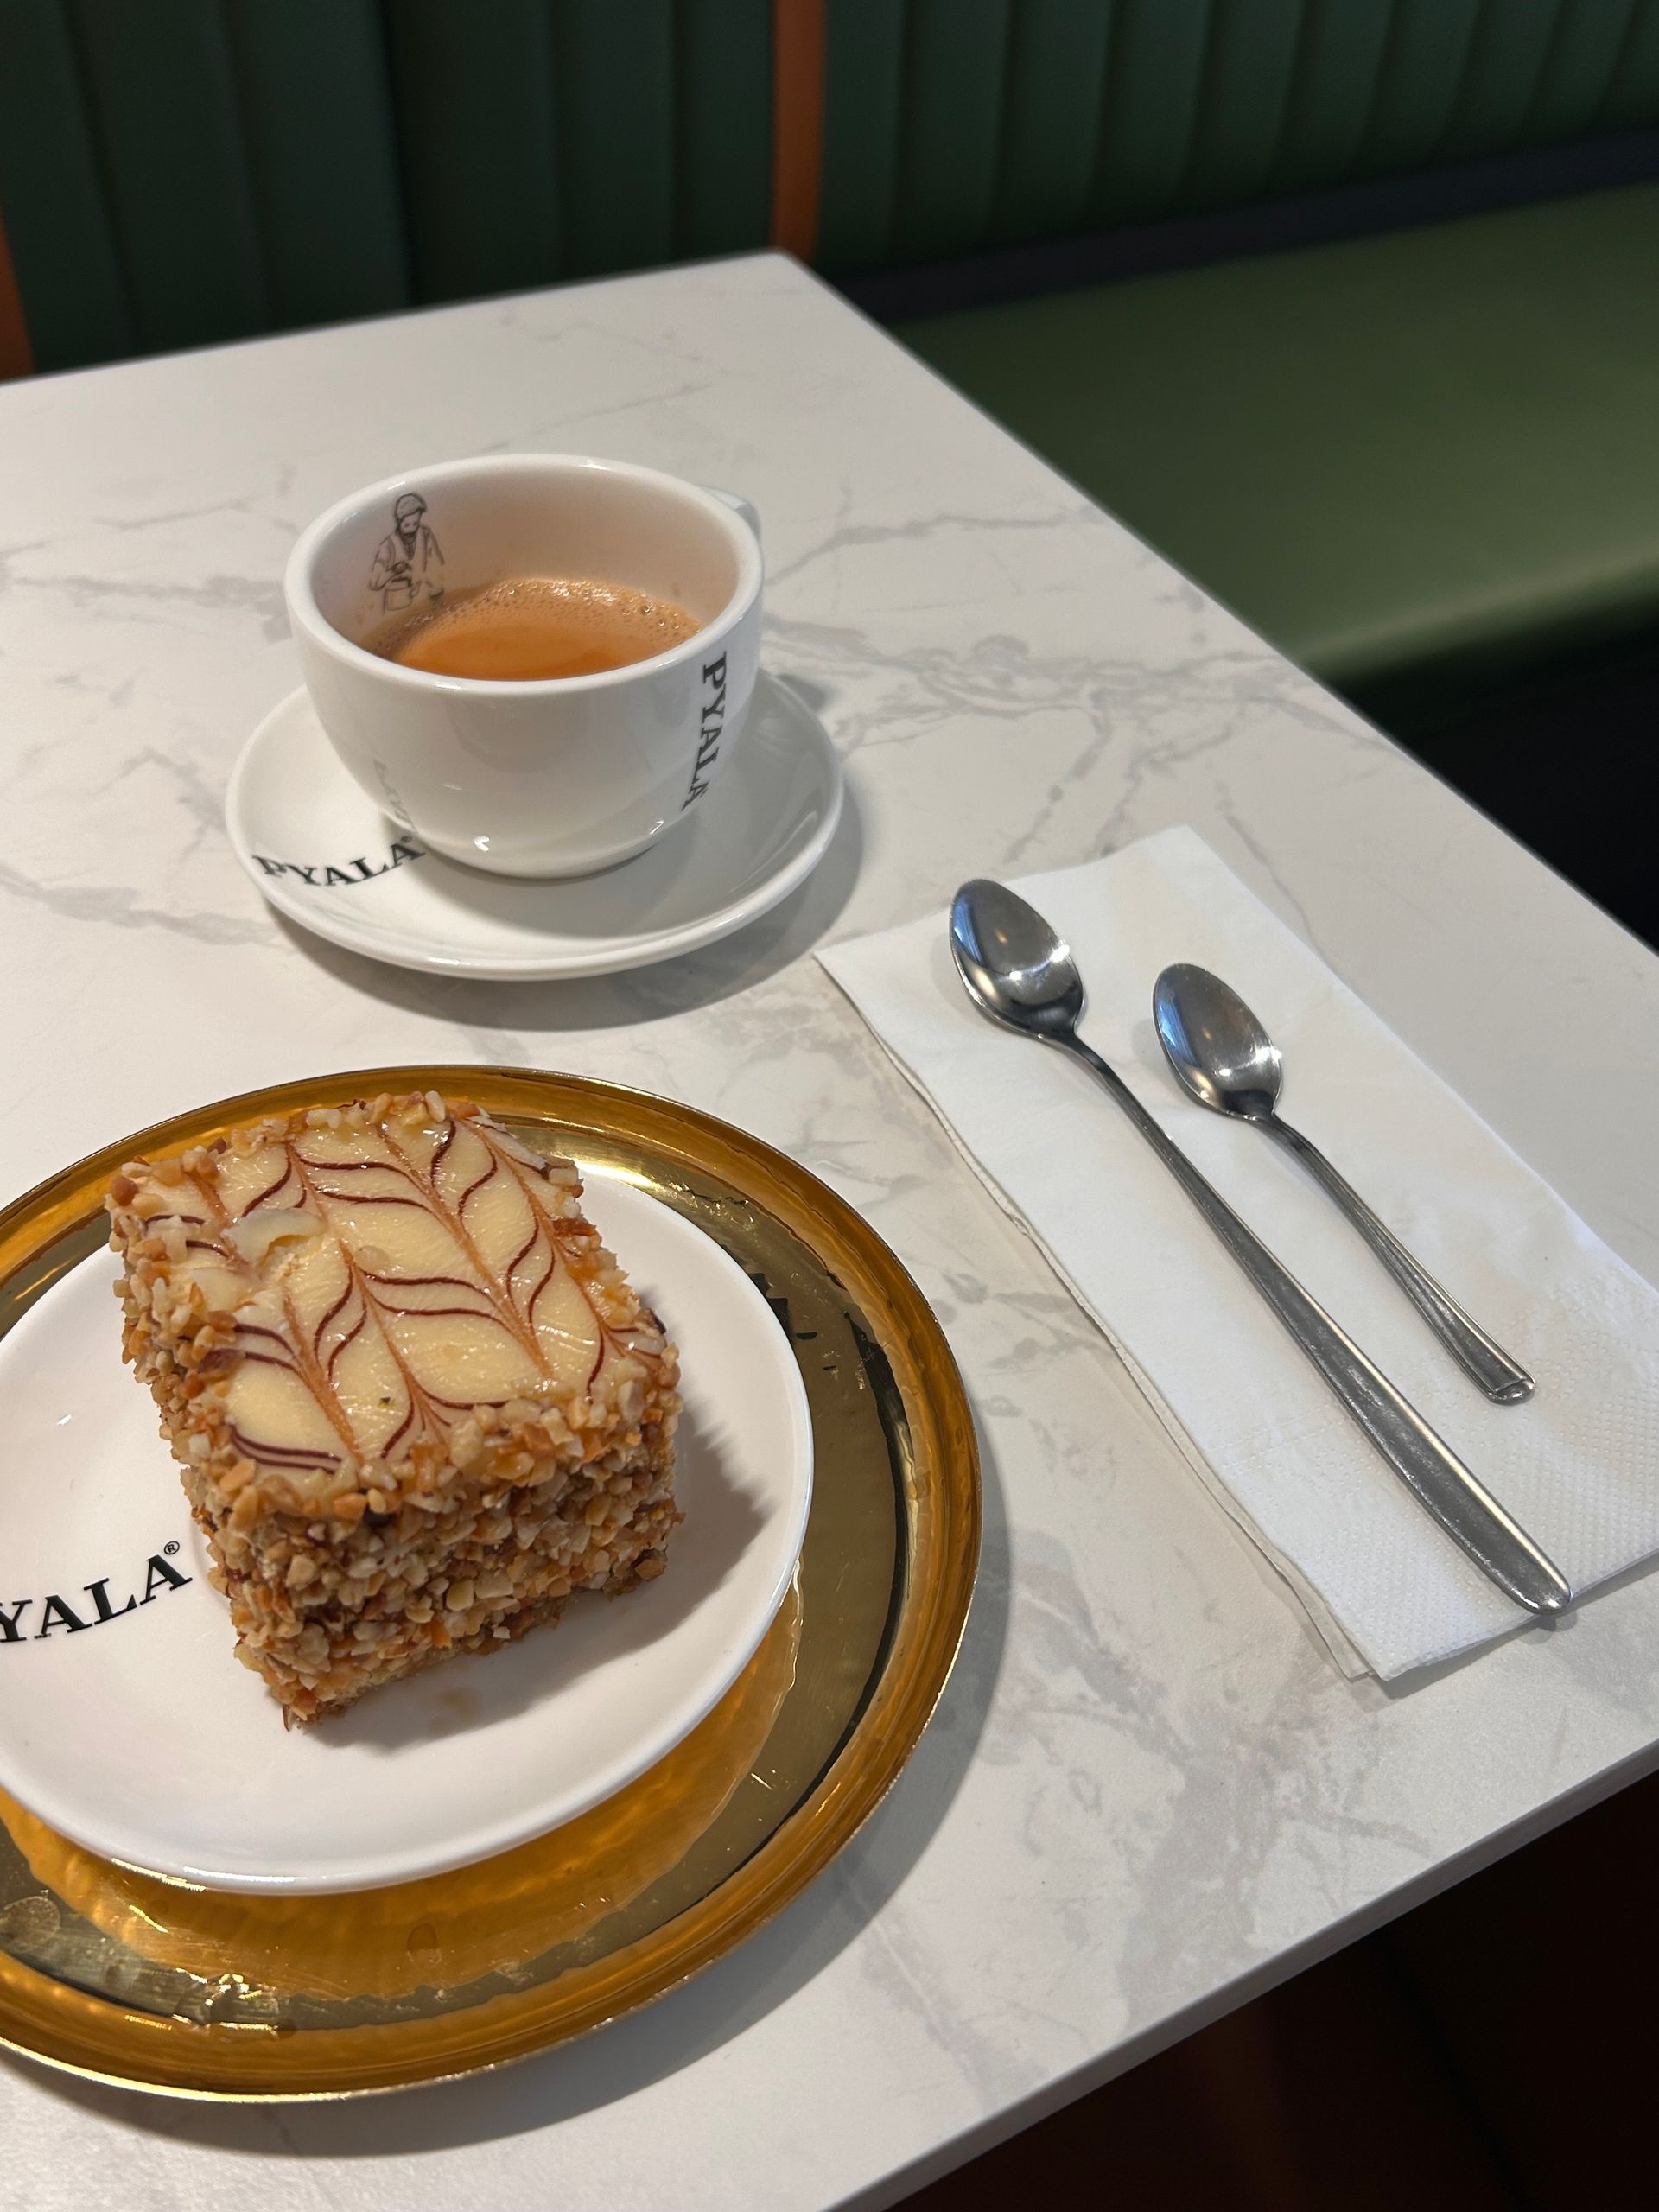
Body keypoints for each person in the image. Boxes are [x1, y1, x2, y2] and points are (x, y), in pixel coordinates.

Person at [369, 492, 444, 613]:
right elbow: (374, 583)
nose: (412, 529)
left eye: (415, 523)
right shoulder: (388, 546)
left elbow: (438, 565)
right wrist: (393, 571)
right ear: (399, 521)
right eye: (406, 525)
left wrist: (433, 585)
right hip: (396, 608)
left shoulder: (425, 534)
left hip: (426, 605)